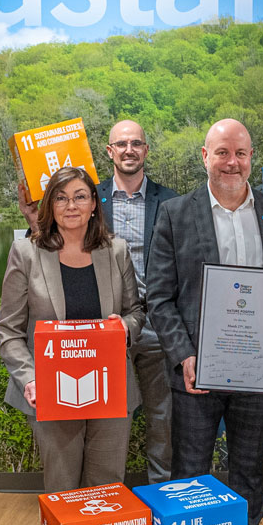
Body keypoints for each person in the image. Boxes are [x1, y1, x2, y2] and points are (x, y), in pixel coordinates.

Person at [146, 118, 263, 525]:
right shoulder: (176, 214)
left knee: (248, 469)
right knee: (190, 471)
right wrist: (184, 356)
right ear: (205, 156)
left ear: (252, 157)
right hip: (198, 368)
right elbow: (159, 297)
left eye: (240, 153)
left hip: (256, 366)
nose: (231, 162)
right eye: (222, 152)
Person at [0, 167, 145, 491]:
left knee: (107, 488)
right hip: (52, 390)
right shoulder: (26, 252)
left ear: (94, 203)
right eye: (61, 198)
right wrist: (30, 379)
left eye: (80, 197)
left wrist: (125, 326)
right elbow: (9, 331)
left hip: (110, 388)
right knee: (62, 489)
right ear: (49, 205)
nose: (71, 206)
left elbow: (135, 312)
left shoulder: (117, 250)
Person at [97, 120, 179, 484]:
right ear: (109, 151)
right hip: (108, 324)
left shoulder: (172, 201)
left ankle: (163, 493)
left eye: (136, 143)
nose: (129, 150)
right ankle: (108, 498)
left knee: (164, 418)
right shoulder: (89, 199)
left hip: (157, 322)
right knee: (111, 417)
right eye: (121, 144)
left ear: (146, 150)